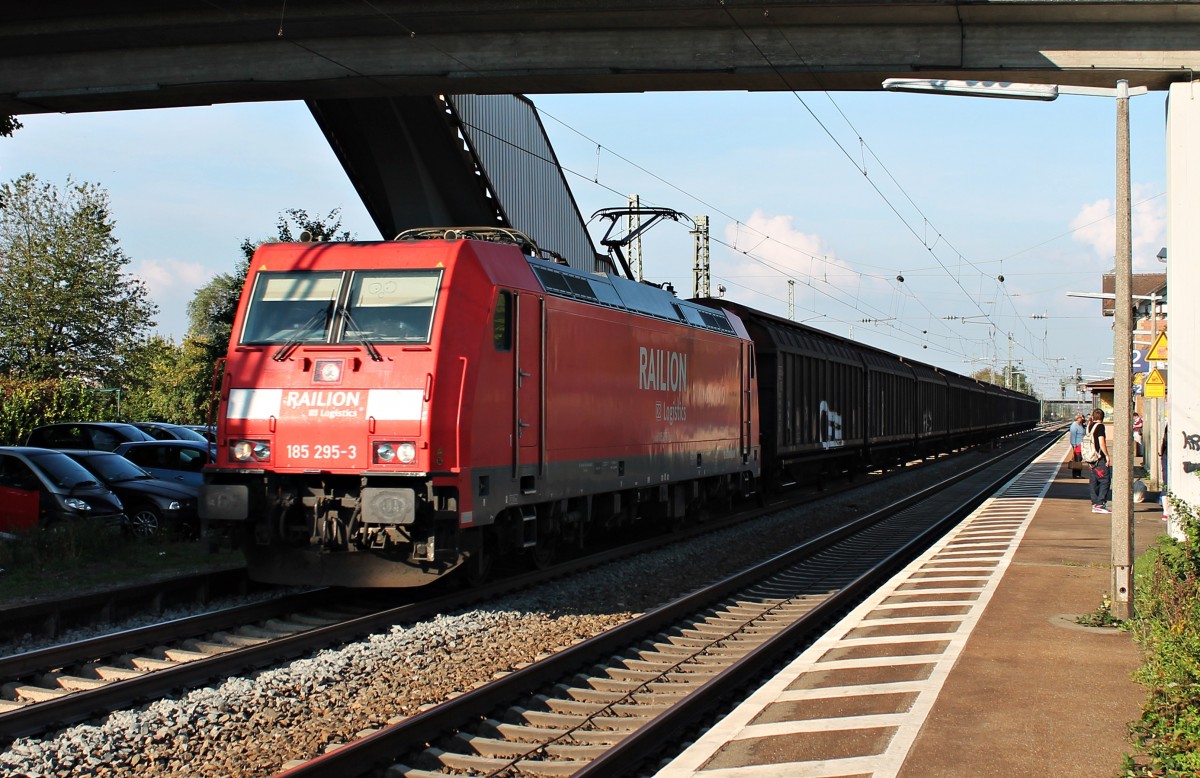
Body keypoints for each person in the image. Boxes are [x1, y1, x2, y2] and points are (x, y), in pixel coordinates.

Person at [1088, 408, 1112, 513]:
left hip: (1091, 458)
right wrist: (1107, 455)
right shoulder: (1100, 426)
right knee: (1105, 480)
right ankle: (1100, 504)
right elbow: (1101, 443)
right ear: (1103, 417)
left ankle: (1095, 503)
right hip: (1099, 458)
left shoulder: (1089, 426)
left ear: (1093, 417)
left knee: (1094, 480)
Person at [1068, 414, 1087, 478]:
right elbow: (1073, 436)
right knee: (1077, 459)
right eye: (1082, 417)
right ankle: (1076, 474)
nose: (1083, 419)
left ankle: (1078, 474)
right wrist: (1074, 445)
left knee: (1079, 459)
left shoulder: (1081, 425)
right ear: (1078, 418)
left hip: (1081, 444)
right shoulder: (1074, 425)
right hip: (1077, 445)